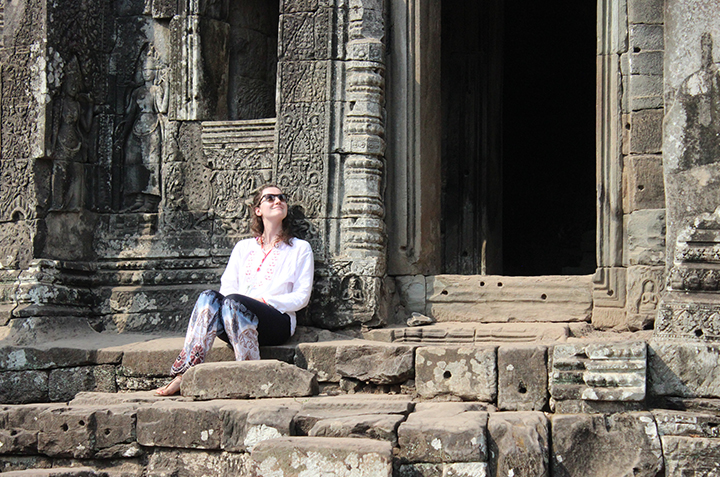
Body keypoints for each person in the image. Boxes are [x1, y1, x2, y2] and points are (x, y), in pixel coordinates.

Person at [155, 184, 314, 396]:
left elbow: (301, 297)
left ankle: (249, 373)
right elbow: (228, 287)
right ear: (258, 210)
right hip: (233, 317)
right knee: (208, 297)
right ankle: (183, 373)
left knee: (234, 302)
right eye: (270, 198)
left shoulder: (299, 248)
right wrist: (240, 303)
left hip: (276, 321)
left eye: (282, 198)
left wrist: (264, 301)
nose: (278, 201)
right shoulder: (243, 248)